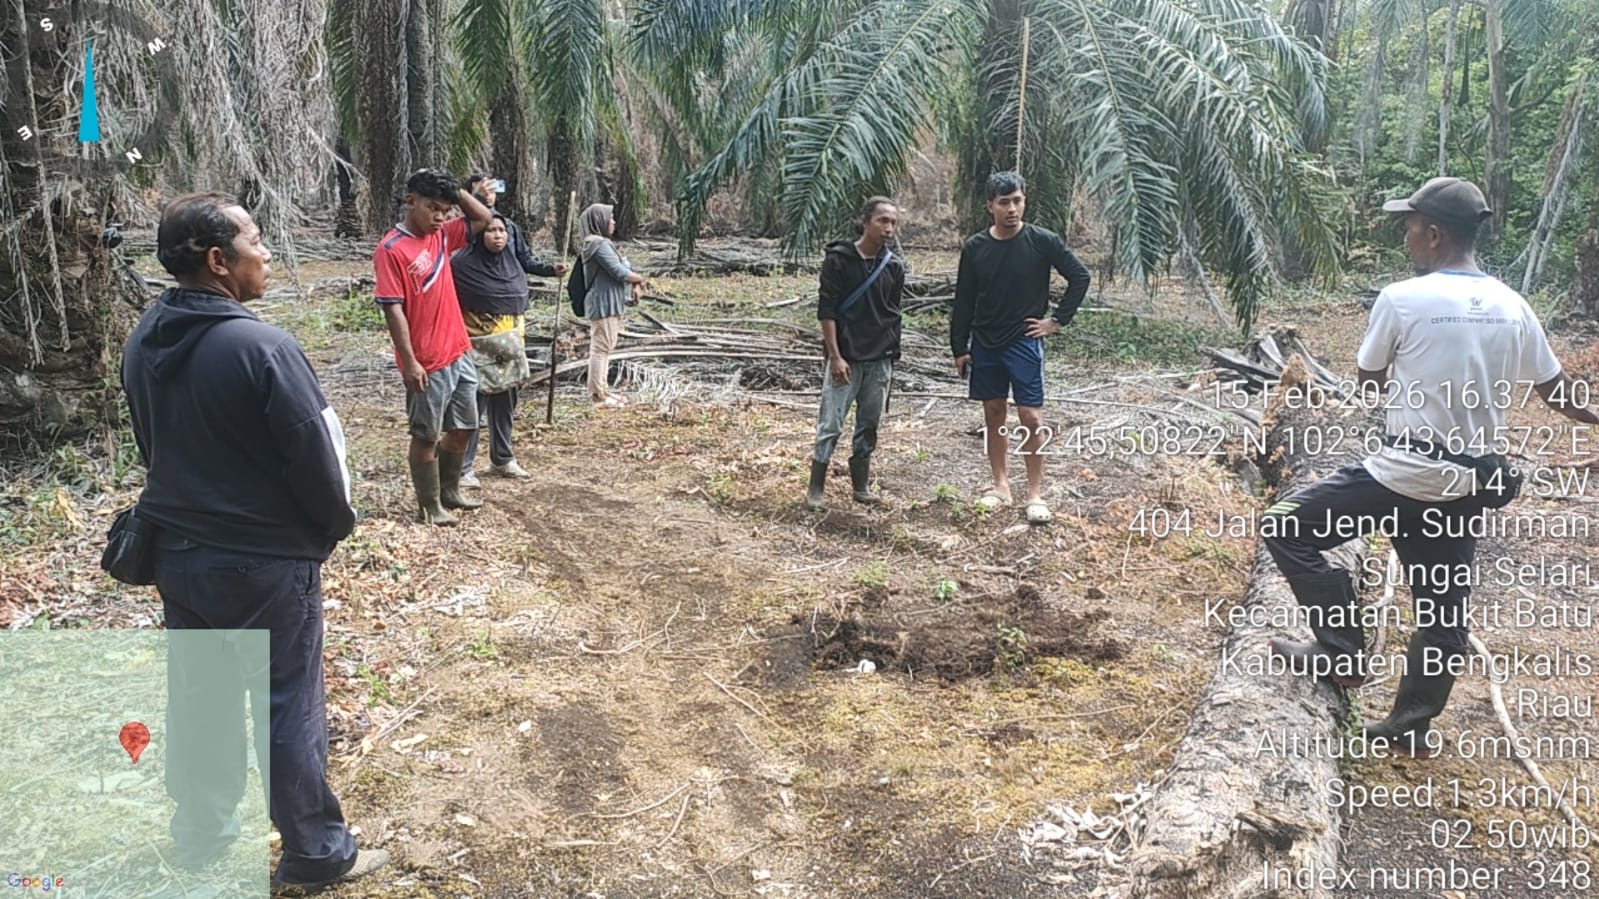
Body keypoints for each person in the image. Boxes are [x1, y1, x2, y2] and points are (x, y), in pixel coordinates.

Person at [1261, 176, 1599, 756]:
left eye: (1412, 224)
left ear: (1435, 233)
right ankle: (1410, 726)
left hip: (1400, 474)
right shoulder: (1513, 305)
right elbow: (1557, 392)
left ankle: (1340, 652)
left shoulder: (1401, 298)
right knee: (1443, 610)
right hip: (1468, 484)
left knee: (1287, 527)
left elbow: (1370, 380)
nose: (1407, 233)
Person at [120, 193, 386, 889]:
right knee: (287, 700)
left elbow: (155, 445)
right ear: (217, 261)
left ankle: (203, 835)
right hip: (266, 564)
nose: (265, 253)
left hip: (178, 557)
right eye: (255, 240)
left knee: (201, 701)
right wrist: (326, 531)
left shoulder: (142, 340)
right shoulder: (264, 346)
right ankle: (315, 852)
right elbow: (319, 457)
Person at [950, 171, 1091, 524]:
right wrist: (959, 346)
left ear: (1024, 201)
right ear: (990, 207)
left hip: (1024, 342)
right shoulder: (976, 248)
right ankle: (1000, 486)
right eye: (1004, 202)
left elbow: (1079, 276)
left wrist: (1057, 321)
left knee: (1031, 416)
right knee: (994, 413)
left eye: (1017, 201)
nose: (1012, 209)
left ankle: (1035, 493)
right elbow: (964, 299)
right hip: (985, 342)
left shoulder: (1042, 241)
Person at [374, 169, 494, 524]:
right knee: (426, 434)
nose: (440, 217)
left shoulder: (441, 237)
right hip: (427, 361)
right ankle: (429, 505)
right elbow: (392, 309)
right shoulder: (391, 250)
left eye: (445, 209)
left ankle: (450, 490)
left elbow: (484, 217)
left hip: (458, 351)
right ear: (410, 202)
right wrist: (409, 362)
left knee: (463, 427)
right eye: (432, 208)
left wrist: (456, 191)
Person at [452, 181, 570, 485]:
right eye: (490, 230)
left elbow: (528, 261)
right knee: (474, 400)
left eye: (502, 231)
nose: (497, 235)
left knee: (507, 397)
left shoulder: (512, 257)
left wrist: (549, 270)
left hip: (511, 338)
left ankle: (502, 458)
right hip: (477, 340)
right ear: (479, 235)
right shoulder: (461, 264)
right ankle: (464, 467)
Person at [807, 196, 905, 509]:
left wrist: (890, 353)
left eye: (893, 222)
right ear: (864, 222)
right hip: (846, 358)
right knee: (831, 424)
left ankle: (860, 484)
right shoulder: (839, 260)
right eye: (882, 221)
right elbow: (827, 310)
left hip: (879, 360)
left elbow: (892, 311)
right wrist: (835, 356)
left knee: (869, 424)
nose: (888, 228)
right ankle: (816, 487)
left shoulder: (892, 266)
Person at [577, 203, 645, 407]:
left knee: (604, 347)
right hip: (603, 304)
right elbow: (620, 271)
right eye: (610, 217)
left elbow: (624, 264)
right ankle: (598, 395)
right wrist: (639, 279)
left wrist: (635, 280)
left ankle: (602, 390)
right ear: (599, 220)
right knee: (600, 348)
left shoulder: (599, 243)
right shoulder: (596, 244)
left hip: (608, 303)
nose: (613, 222)